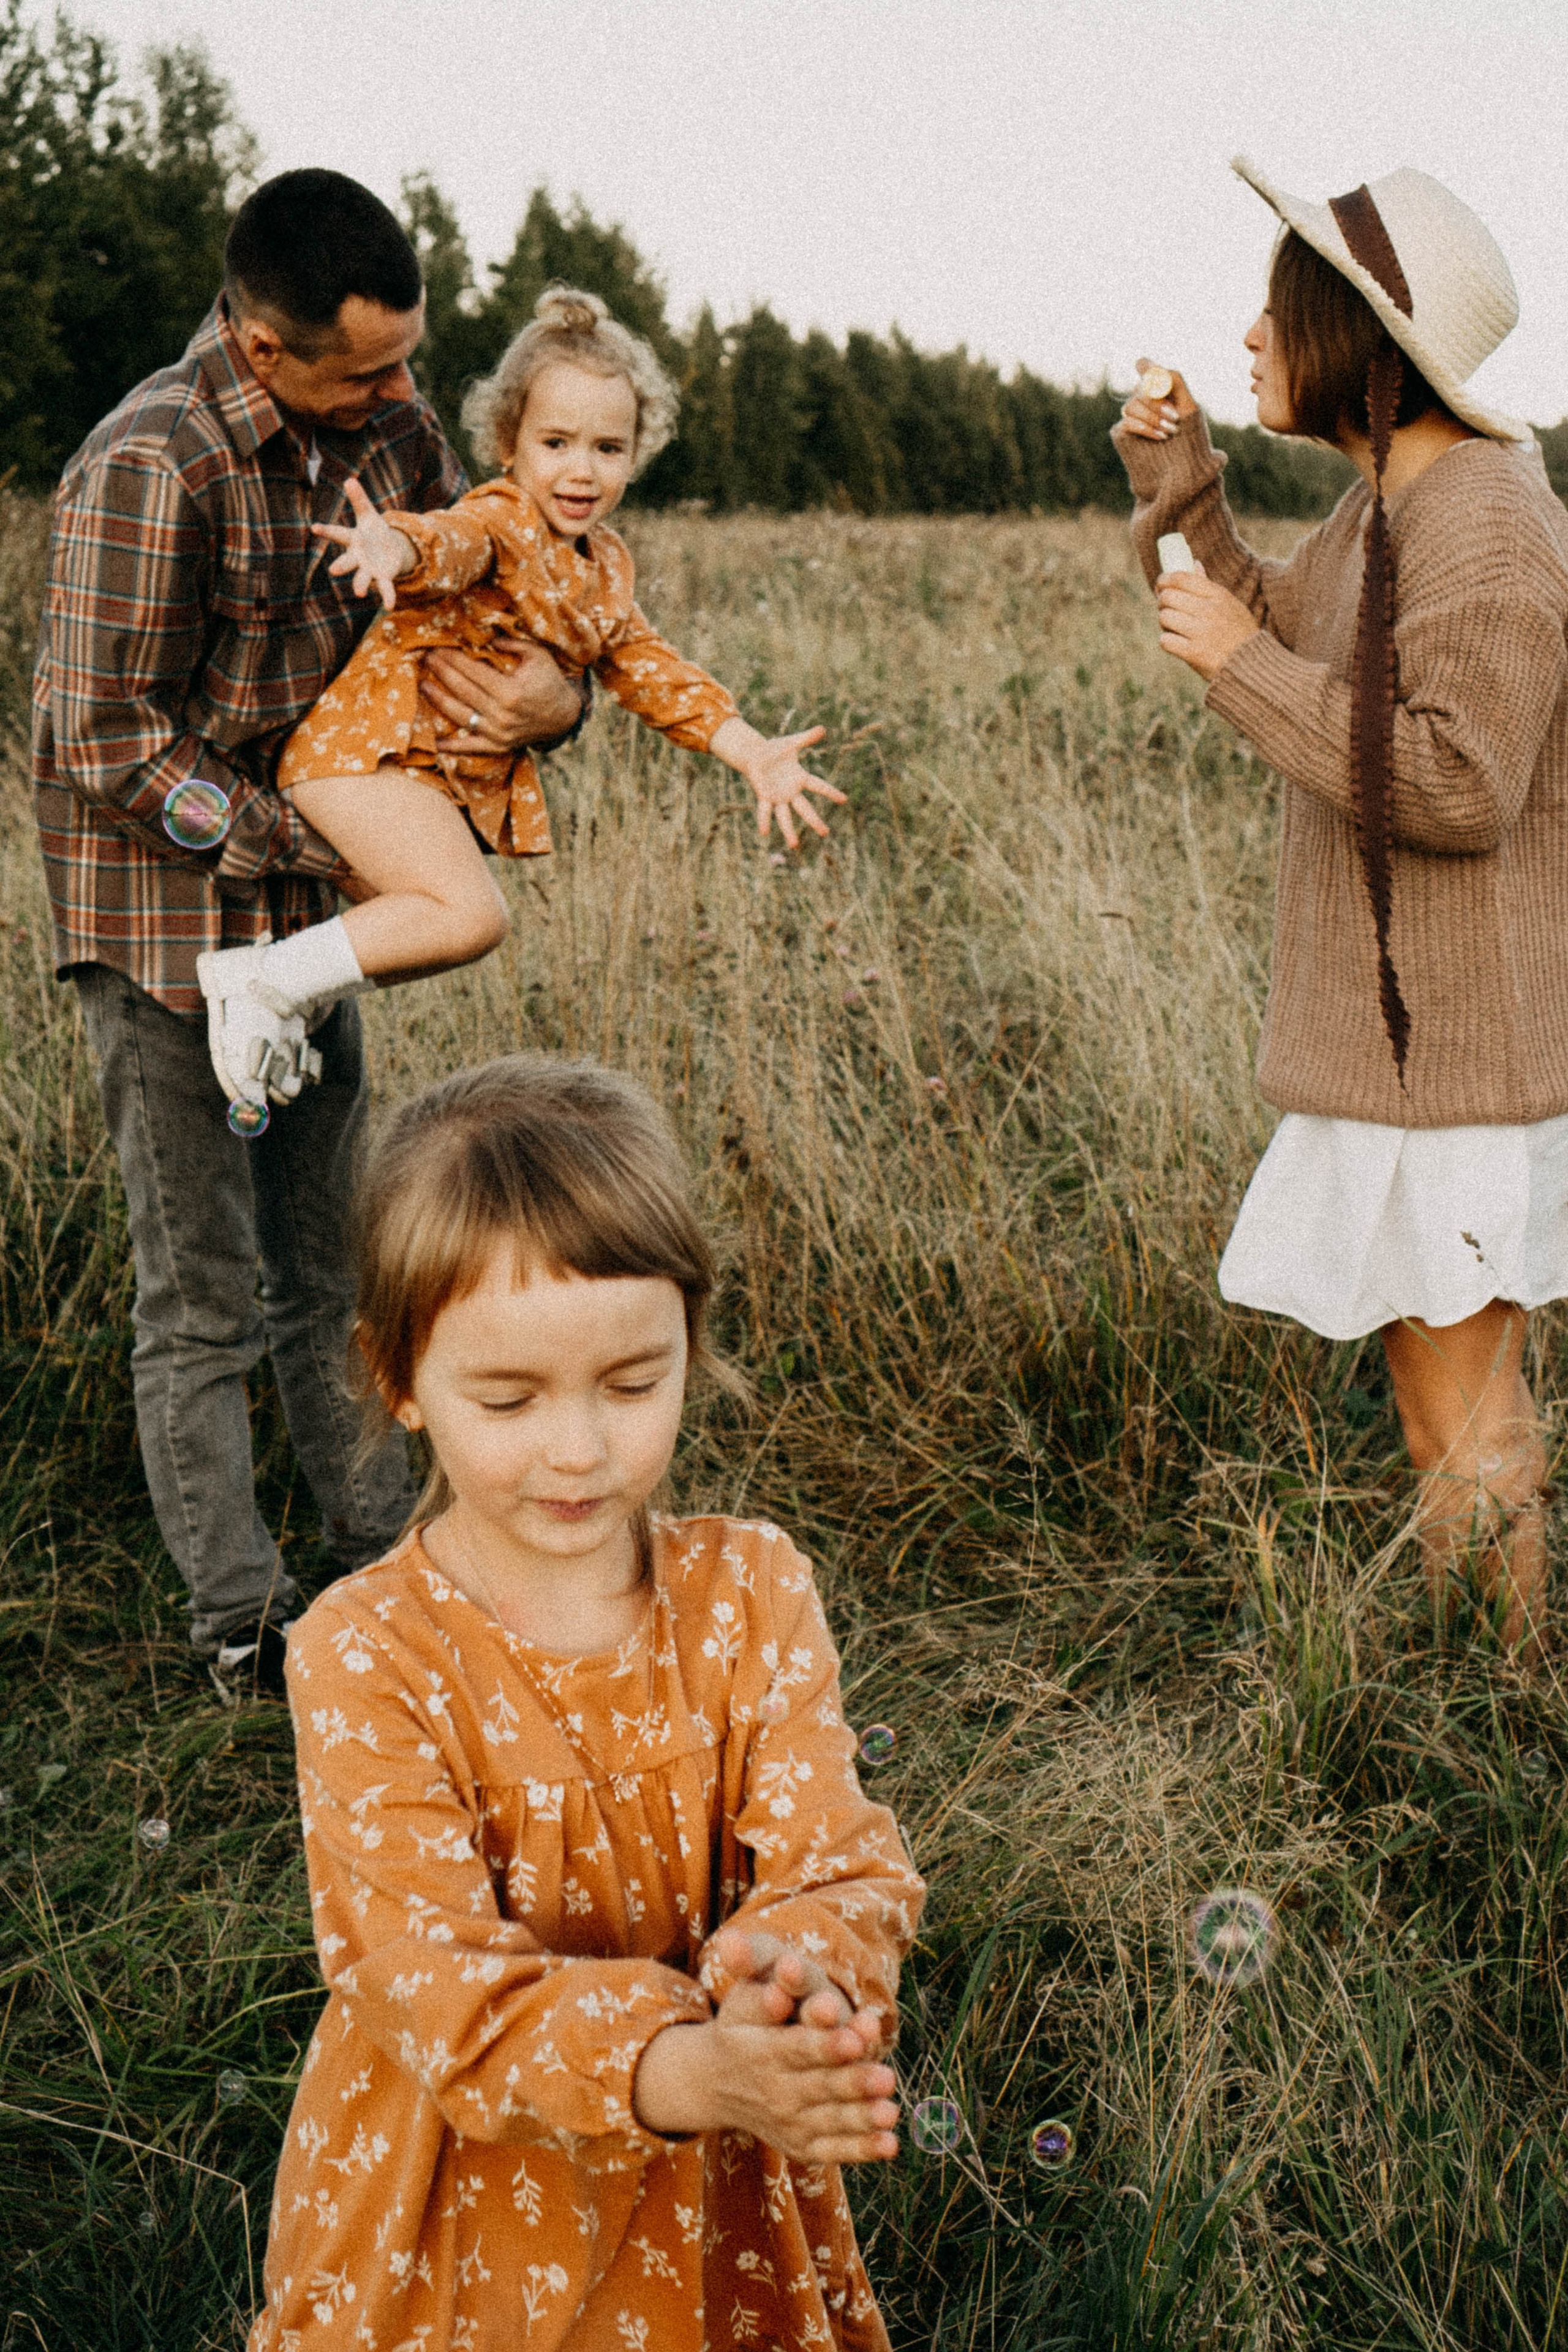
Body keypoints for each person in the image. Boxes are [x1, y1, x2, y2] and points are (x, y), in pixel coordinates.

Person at [248, 1054, 924, 2352]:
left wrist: (792, 1985)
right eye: (508, 1399)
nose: (579, 1448)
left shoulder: (750, 1590)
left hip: (711, 2182)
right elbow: (435, 1984)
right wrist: (689, 2068)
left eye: (631, 1383)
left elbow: (838, 1860)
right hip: (460, 2213)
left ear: (689, 1347)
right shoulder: (364, 1655)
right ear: (397, 1377)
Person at [32, 170, 587, 1692]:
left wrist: (553, 702)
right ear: (264, 346)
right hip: (162, 930)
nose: (404, 396)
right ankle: (242, 1628)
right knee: (200, 1296)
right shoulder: (150, 463)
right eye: (366, 371)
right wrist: (301, 845)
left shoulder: (393, 438)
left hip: (309, 927)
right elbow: (97, 730)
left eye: (410, 360)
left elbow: (507, 602)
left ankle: (378, 1568)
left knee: (329, 1268)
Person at [1116, 160, 1568, 1662]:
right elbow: (1272, 623)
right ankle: (1480, 1690)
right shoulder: (1390, 509)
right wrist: (1179, 487)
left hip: (1456, 1063)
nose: (1250, 334)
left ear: (1358, 341)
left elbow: (1458, 779)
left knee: (1464, 1415)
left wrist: (1239, 668)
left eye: (1278, 309)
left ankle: (1499, 1720)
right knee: (1438, 1407)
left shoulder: (1483, 522)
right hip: (1408, 1055)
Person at [194, 287, 845, 1115]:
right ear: (510, 444)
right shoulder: (504, 518)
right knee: (472, 916)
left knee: (432, 932)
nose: (582, 470)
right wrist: (391, 545)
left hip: (408, 780)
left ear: (637, 454)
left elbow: (654, 672)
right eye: (556, 442)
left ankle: (282, 997)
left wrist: (751, 751)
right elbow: (450, 542)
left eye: (608, 448)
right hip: (360, 759)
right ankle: (256, 981)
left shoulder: (606, 569)